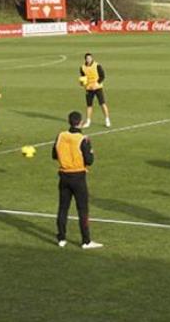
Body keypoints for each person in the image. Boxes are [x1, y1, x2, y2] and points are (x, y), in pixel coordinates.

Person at [52, 111, 103, 249]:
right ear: (80, 122)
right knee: (83, 210)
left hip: (63, 176)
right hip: (78, 177)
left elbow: (54, 155)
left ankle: (61, 238)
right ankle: (86, 241)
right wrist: (90, 148)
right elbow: (90, 161)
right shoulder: (82, 139)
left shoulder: (60, 136)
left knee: (63, 208)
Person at [79, 53, 111, 128]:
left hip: (98, 88)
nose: (89, 60)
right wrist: (82, 83)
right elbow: (83, 77)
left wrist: (96, 84)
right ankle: (88, 121)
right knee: (89, 105)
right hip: (88, 88)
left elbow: (102, 76)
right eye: (87, 58)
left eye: (90, 58)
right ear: (85, 59)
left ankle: (107, 120)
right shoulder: (82, 67)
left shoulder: (97, 65)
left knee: (102, 103)